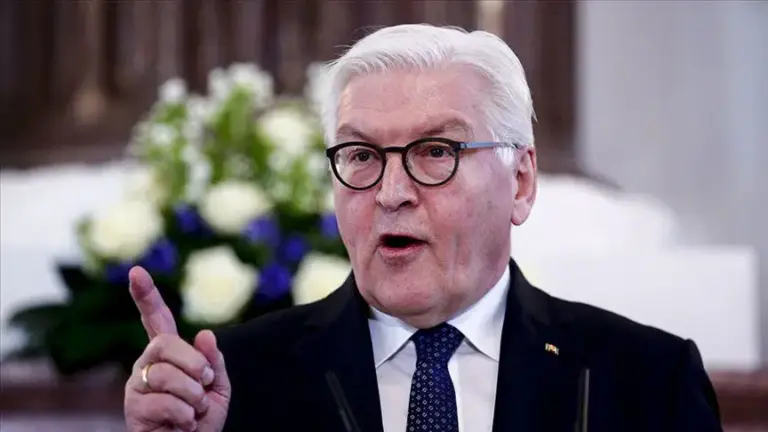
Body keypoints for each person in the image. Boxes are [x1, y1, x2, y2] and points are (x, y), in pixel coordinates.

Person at [123, 24, 723, 432]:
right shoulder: (235, 381)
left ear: (520, 182)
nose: (391, 193)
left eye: (436, 151)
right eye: (361, 155)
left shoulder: (648, 380)